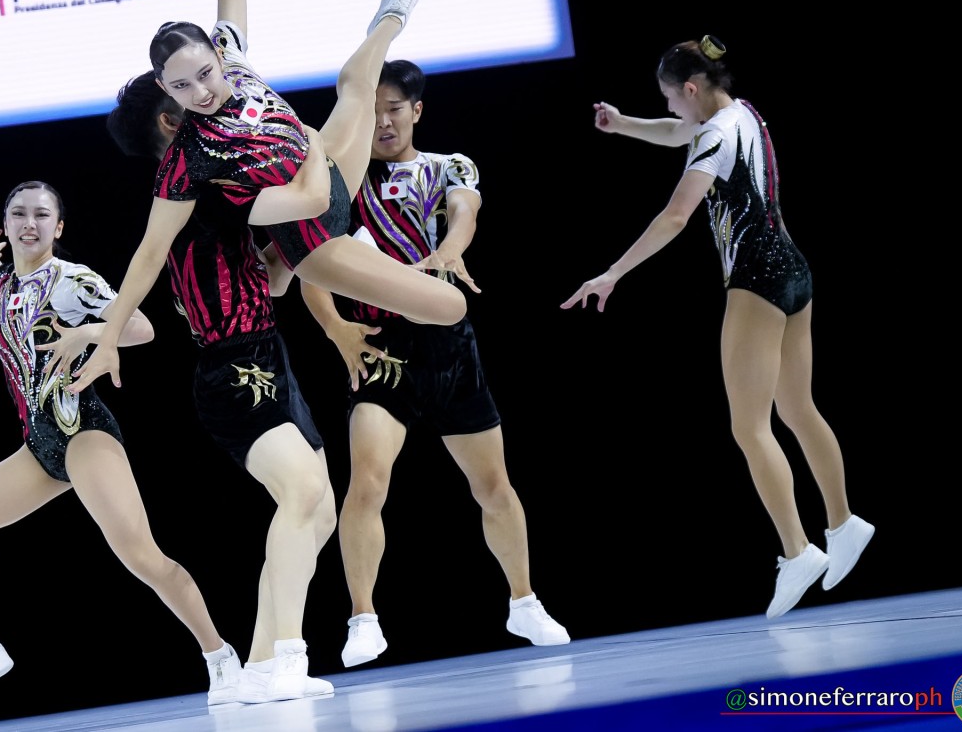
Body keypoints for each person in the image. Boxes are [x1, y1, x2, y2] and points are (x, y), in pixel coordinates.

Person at [71, 0, 466, 410]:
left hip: (329, 169)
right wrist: (110, 336)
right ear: (164, 88)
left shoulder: (232, 54)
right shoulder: (188, 158)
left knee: (357, 83)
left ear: (217, 51)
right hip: (315, 237)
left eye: (205, 73)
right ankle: (309, 260)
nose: (201, 93)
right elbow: (150, 253)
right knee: (450, 308)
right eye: (182, 87)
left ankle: (390, 20)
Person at [561, 36, 875, 620]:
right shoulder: (742, 113)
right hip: (794, 269)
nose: (670, 109)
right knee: (798, 409)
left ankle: (798, 551)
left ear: (690, 88)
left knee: (749, 427)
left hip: (756, 281)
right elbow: (676, 131)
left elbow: (676, 215)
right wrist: (624, 124)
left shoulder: (712, 135)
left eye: (669, 98)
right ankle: (844, 522)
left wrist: (612, 273)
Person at [299, 59, 570, 667]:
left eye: (394, 109)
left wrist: (446, 254)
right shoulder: (340, 184)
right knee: (367, 482)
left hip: (450, 350)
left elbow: (465, 212)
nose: (382, 121)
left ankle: (524, 602)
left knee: (493, 485)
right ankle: (362, 618)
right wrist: (337, 330)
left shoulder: (449, 166)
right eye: (372, 110)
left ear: (416, 111)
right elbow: (310, 265)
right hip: (382, 350)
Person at [0, 181, 242, 706]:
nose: (30, 224)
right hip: (40, 446)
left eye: (41, 215)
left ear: (58, 227)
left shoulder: (71, 280)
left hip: (83, 432)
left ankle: (220, 655)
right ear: (5, 225)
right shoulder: (0, 281)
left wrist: (89, 333)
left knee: (141, 556)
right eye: (19, 214)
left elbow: (141, 328)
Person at [103, 72, 339, 703]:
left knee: (318, 513)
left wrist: (284, 255)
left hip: (269, 355)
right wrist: (310, 137)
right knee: (303, 490)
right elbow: (313, 196)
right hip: (231, 372)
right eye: (189, 96)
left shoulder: (214, 182)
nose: (214, 103)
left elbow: (275, 281)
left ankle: (256, 669)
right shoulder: (199, 188)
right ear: (170, 120)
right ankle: (287, 656)